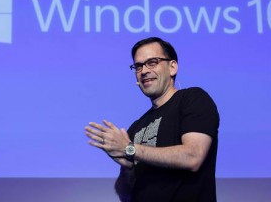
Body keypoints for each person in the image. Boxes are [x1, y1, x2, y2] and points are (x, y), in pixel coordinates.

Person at [85, 37, 219, 202]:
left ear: (172, 67)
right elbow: (125, 195)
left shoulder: (192, 99)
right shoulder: (135, 127)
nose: (144, 71)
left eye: (152, 62)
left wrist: (130, 150)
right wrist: (127, 168)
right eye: (138, 66)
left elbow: (193, 157)